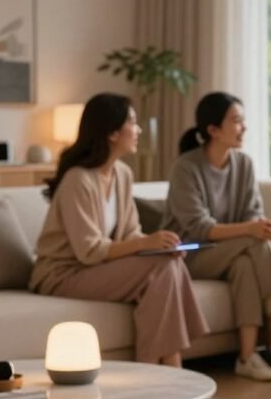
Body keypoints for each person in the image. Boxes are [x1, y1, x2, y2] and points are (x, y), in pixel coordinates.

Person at [29, 93, 208, 366]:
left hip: (94, 268)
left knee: (168, 262)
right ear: (112, 132)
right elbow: (89, 251)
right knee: (161, 267)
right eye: (133, 123)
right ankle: (161, 365)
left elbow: (130, 233)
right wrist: (145, 245)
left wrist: (156, 244)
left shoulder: (122, 174)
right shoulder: (78, 180)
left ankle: (165, 364)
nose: (139, 130)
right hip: (63, 273)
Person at [163, 91, 271, 381]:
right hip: (187, 254)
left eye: (243, 121)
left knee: (245, 262)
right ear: (213, 130)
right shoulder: (186, 167)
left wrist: (259, 225)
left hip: (229, 252)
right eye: (237, 121)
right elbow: (200, 227)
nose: (243, 128)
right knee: (255, 240)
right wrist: (252, 230)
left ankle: (247, 356)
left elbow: (252, 212)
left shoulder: (243, 164)